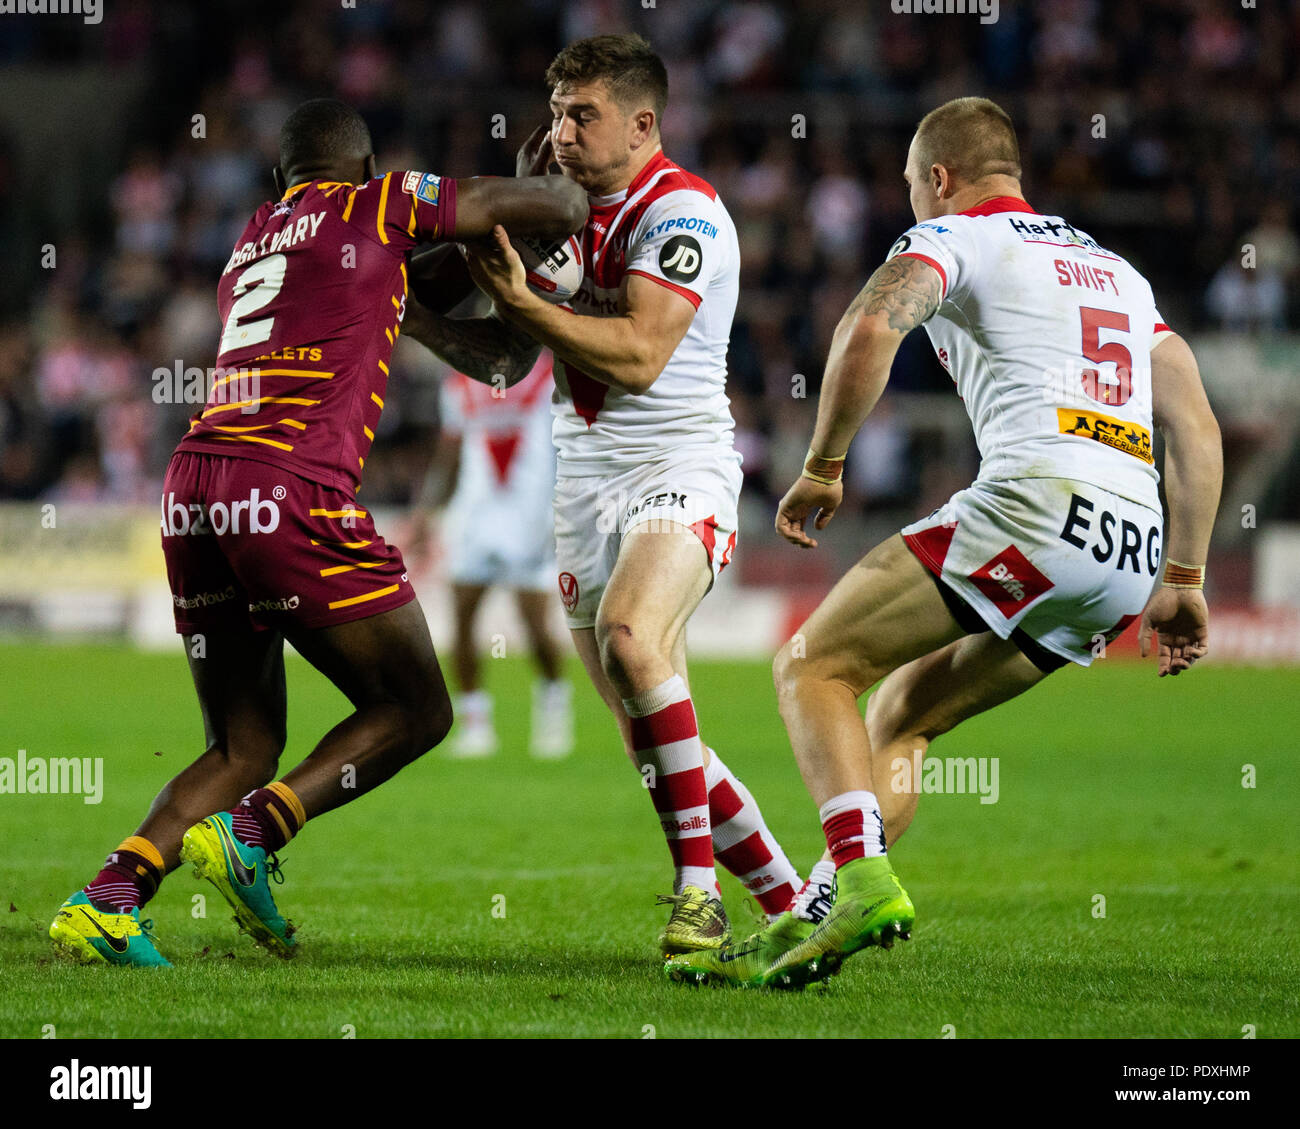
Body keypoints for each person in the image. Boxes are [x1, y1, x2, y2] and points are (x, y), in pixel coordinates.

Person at [664, 96, 1223, 988]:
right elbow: (1192, 420)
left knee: (812, 665)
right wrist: (1184, 576)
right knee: (901, 722)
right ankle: (815, 912)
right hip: (1128, 552)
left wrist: (823, 464)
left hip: (1035, 504)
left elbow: (869, 325)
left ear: (939, 178)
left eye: (911, 189)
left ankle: (863, 880)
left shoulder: (960, 238)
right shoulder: (1119, 272)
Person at [49, 98, 587, 966]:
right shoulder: (382, 204)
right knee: (416, 707)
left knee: (244, 741)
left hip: (193, 489)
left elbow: (467, 335)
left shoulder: (254, 241)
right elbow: (557, 212)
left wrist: (465, 286)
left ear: (278, 182)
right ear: (369, 174)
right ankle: (253, 834)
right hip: (288, 484)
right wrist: (542, 178)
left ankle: (109, 896)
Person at [402, 35, 808, 955]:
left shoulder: (688, 212)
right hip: (581, 476)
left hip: (678, 462)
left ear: (643, 122)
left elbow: (639, 353)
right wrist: (417, 310)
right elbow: (506, 360)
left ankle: (697, 896)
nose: (562, 132)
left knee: (631, 636)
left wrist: (525, 298)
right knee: (652, 745)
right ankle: (791, 905)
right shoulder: (562, 213)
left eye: (582, 115)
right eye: (555, 113)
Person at [409, 349, 574, 759]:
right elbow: (450, 449)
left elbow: (571, 442)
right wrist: (428, 511)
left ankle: (554, 708)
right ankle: (475, 726)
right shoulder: (462, 379)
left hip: (530, 514)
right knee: (463, 616)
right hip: (475, 513)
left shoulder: (553, 375)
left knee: (534, 622)